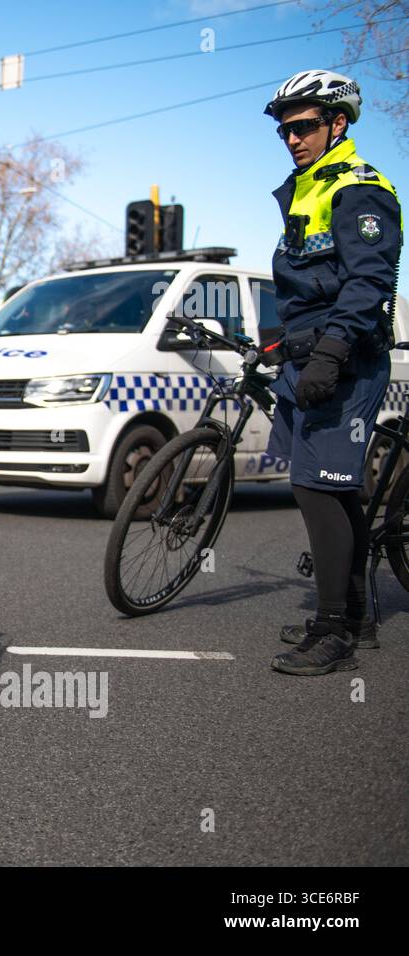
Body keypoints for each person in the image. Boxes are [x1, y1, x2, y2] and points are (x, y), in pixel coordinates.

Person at [261, 70, 402, 676]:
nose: (292, 138)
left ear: (337, 123)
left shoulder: (359, 188)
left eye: (305, 126)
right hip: (307, 356)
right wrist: (283, 346)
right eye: (285, 129)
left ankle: (332, 632)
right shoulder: (307, 188)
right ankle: (356, 615)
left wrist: (328, 353)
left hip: (344, 362)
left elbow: (369, 281)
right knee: (329, 487)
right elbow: (309, 288)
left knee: (318, 489)